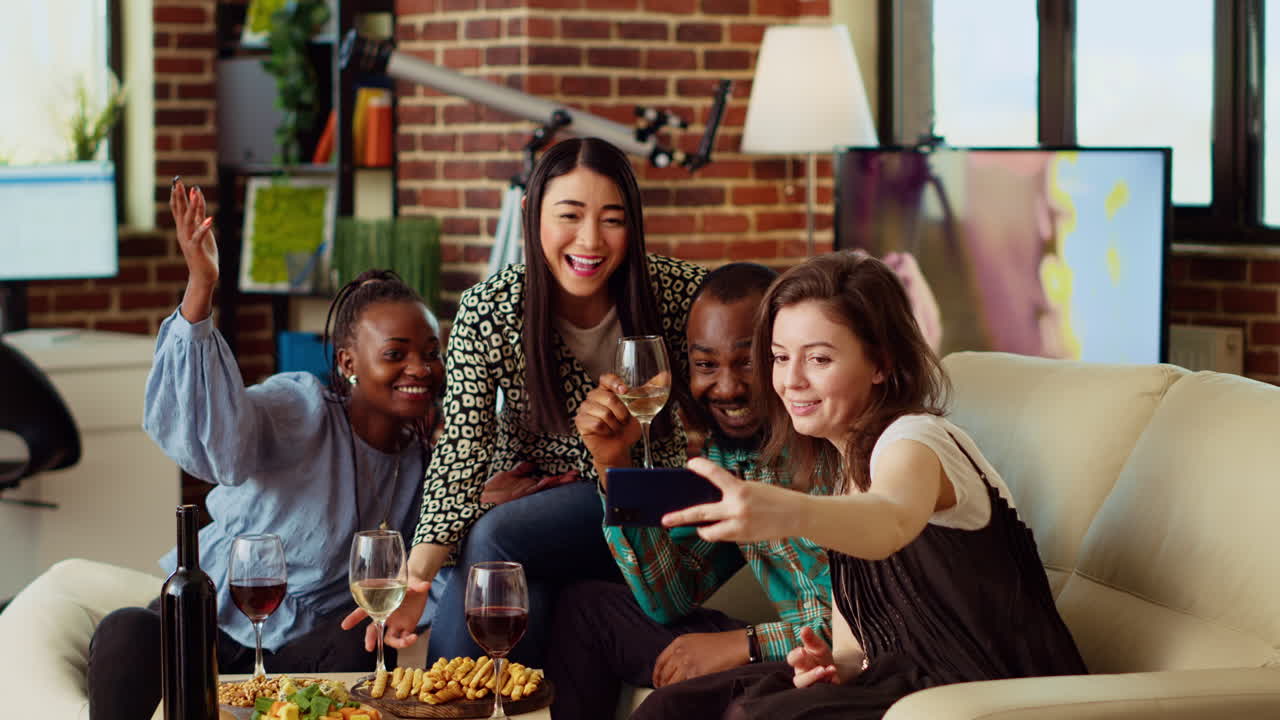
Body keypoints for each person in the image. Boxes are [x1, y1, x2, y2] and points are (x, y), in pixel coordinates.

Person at [631, 251, 1086, 720]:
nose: (791, 381)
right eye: (780, 358)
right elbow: (851, 653)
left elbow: (891, 519)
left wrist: (785, 509)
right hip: (902, 691)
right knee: (676, 707)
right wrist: (827, 667)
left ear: (880, 364)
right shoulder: (844, 474)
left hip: (987, 694)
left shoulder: (915, 439)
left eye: (819, 359)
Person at [86, 178, 444, 720]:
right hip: (211, 622)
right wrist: (201, 287)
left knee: (361, 647)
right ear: (348, 363)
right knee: (125, 632)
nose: (419, 367)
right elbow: (221, 443)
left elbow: (430, 569)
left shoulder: (424, 462)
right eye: (396, 353)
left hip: (299, 652)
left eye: (430, 353)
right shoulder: (300, 406)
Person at [344, 137, 709, 665]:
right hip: (536, 505)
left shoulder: (678, 293)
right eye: (570, 215)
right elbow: (463, 447)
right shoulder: (490, 309)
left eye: (612, 219)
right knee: (513, 593)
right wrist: (419, 571)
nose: (590, 241)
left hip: (652, 497)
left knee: (498, 534)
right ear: (529, 212)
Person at [546, 262, 833, 720]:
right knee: (587, 611)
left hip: (826, 663)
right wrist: (614, 466)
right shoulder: (727, 459)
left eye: (746, 361)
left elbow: (870, 627)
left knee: (669, 709)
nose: (726, 387)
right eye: (705, 365)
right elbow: (671, 600)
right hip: (783, 647)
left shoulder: (835, 449)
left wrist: (747, 644)